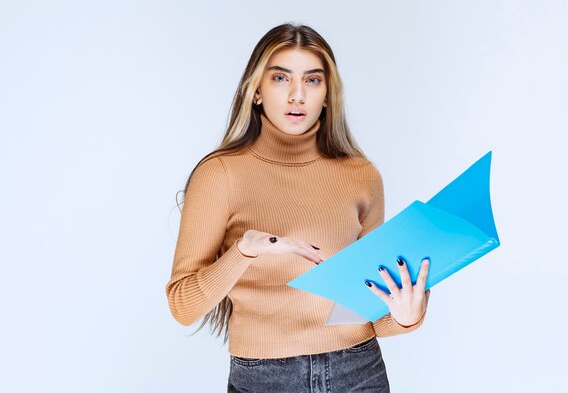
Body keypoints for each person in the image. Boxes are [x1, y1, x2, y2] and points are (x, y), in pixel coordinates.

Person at [165, 22, 431, 392]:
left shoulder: (361, 174)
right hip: (265, 378)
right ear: (256, 91)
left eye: (312, 80)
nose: (296, 96)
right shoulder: (220, 174)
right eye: (280, 78)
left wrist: (407, 315)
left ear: (327, 94)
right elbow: (182, 305)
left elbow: (371, 311)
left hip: (359, 370)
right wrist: (244, 251)